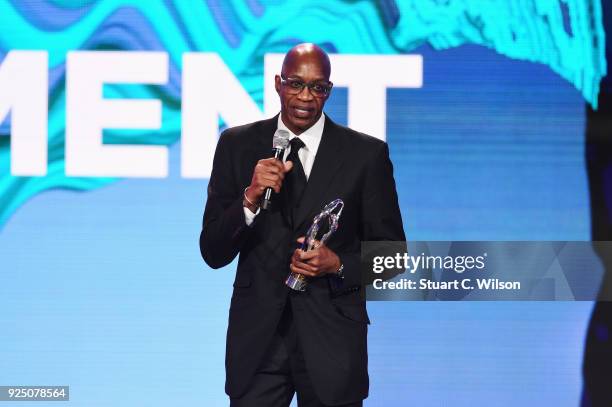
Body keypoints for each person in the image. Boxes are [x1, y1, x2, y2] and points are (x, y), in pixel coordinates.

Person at [200, 43, 405, 407]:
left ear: (329, 91)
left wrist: (338, 264)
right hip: (258, 347)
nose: (306, 97)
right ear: (278, 84)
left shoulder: (365, 155)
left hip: (332, 343)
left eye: (318, 87)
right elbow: (213, 252)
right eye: (296, 84)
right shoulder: (237, 145)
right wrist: (249, 198)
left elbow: (393, 256)